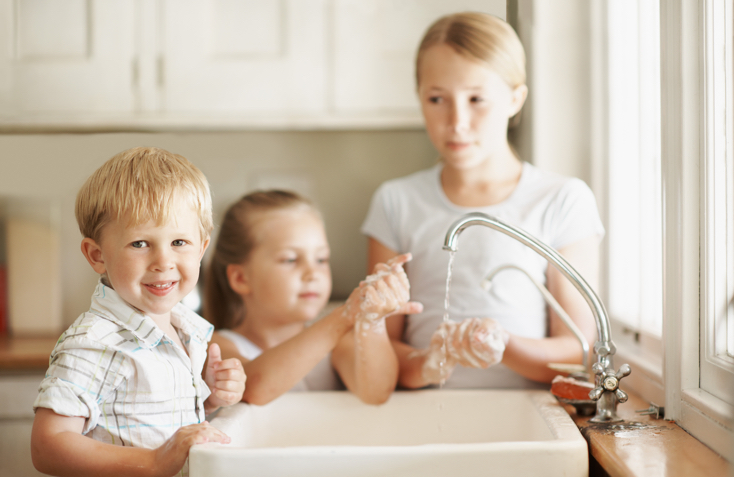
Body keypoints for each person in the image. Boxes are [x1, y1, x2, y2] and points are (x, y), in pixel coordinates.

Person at [362, 12, 604, 390]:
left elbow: (580, 352)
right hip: (422, 413)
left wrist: (502, 345)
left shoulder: (561, 200)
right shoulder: (396, 201)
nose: (457, 121)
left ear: (515, 98)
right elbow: (378, 344)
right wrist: (430, 361)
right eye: (437, 98)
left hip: (526, 416)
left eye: (477, 99)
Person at [31, 147, 246, 477]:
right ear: (97, 255)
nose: (163, 262)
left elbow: (156, 423)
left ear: (201, 248)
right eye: (140, 243)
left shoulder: (184, 329)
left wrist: (210, 399)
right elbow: (48, 445)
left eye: (179, 243)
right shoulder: (97, 341)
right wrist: (153, 462)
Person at [204, 190, 422, 405]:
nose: (312, 273)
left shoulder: (339, 344)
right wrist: (343, 316)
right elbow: (253, 387)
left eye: (321, 259)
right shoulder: (218, 346)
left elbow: (376, 392)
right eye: (290, 260)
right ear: (241, 278)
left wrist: (373, 322)